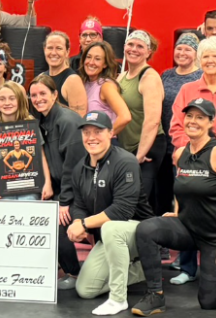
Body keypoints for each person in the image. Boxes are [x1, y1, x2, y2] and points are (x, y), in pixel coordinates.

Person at [131, 98, 216, 315]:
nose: (193, 121)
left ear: (211, 122)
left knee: (210, 302)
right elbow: (183, 186)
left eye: (200, 117)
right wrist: (177, 211)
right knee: (146, 229)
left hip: (215, 236)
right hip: (188, 227)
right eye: (189, 116)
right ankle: (155, 295)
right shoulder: (181, 153)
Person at [69, 111, 153, 316]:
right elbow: (79, 205)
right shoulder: (79, 168)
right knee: (86, 289)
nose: (91, 137)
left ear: (111, 133)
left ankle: (118, 299)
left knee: (111, 227)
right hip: (108, 236)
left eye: (98, 131)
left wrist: (85, 224)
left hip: (141, 231)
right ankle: (145, 269)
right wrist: (78, 221)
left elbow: (122, 210)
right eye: (86, 132)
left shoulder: (125, 161)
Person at [29, 74, 86, 290]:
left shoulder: (67, 121)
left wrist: (64, 201)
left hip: (77, 191)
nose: (38, 99)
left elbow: (73, 166)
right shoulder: (43, 121)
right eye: (34, 95)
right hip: (58, 188)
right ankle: (62, 268)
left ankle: (74, 273)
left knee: (57, 227)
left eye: (43, 93)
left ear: (54, 95)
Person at [117, 30, 166, 210]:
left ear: (148, 52)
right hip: (127, 148)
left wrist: (139, 155)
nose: (134, 49)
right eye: (130, 44)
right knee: (127, 197)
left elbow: (152, 121)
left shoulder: (149, 77)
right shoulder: (121, 77)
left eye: (140, 46)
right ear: (124, 47)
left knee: (141, 199)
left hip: (148, 147)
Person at [0, 82, 53, 201]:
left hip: (30, 186)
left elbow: (40, 156)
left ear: (20, 101)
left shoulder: (31, 125)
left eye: (12, 98)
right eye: (2, 99)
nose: (7, 103)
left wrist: (47, 182)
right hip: (3, 187)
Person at [160, 33, 203, 213]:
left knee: (183, 191)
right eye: (179, 48)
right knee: (163, 191)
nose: (182, 53)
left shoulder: (201, 76)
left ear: (196, 53)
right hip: (164, 142)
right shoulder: (166, 75)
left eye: (188, 49)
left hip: (187, 144)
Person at [79, 41, 132, 137]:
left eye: (97, 59)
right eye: (89, 57)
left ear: (105, 64)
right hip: (88, 142)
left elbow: (125, 116)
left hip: (104, 144)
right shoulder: (83, 84)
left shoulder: (106, 86)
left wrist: (105, 136)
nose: (91, 62)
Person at [39, 31, 88, 116]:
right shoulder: (41, 77)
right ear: (44, 50)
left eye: (59, 48)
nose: (53, 53)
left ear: (67, 52)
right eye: (50, 48)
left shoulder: (73, 80)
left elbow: (78, 118)